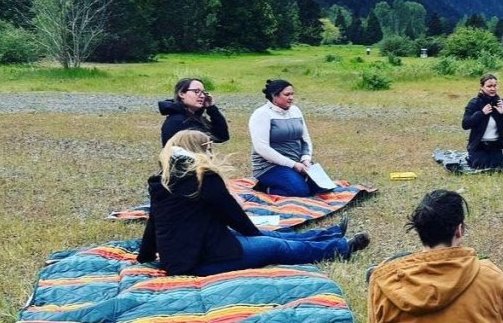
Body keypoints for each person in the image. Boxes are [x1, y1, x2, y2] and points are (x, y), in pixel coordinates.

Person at [137, 130, 369, 276]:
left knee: (273, 235)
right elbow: (232, 214)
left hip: (191, 251)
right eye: (208, 148)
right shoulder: (203, 178)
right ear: (199, 150)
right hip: (201, 260)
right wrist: (253, 235)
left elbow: (154, 222)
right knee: (275, 245)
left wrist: (144, 255)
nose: (211, 153)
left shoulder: (163, 181)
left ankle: (329, 234)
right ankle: (340, 248)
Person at [368, 190, 503, 322]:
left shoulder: (382, 282)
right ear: (459, 230)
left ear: (419, 230)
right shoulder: (490, 276)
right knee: (500, 303)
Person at [249, 79, 320, 197]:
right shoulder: (262, 114)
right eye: (287, 95)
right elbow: (262, 148)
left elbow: (305, 139)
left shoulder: (296, 110)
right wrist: (293, 165)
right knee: (300, 192)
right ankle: (264, 188)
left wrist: (306, 159)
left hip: (298, 164)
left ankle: (295, 180)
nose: (291, 98)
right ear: (274, 97)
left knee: (321, 188)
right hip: (270, 166)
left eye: (292, 94)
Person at [462, 74, 503, 169]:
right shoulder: (474, 103)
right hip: (479, 145)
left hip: (495, 145)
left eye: (495, 86)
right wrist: (481, 113)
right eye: (489, 86)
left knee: (497, 166)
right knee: (481, 165)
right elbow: (465, 124)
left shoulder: (502, 103)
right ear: (482, 87)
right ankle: (472, 157)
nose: (493, 88)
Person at [159, 78, 229, 146]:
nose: (202, 96)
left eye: (203, 92)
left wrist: (211, 108)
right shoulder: (177, 121)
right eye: (196, 91)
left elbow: (222, 136)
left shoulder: (195, 118)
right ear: (181, 94)